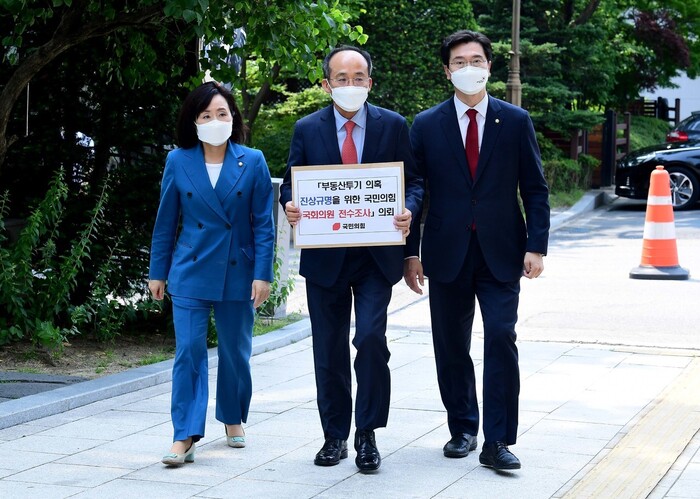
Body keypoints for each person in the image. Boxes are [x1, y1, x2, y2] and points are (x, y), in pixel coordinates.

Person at [404, 30, 550, 471]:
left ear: (489, 66)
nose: (469, 68)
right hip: (446, 251)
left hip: (502, 250)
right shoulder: (426, 124)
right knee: (451, 344)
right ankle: (463, 428)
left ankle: (498, 440)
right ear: (447, 71)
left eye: (477, 60)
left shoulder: (516, 120)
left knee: (502, 337)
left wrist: (537, 246)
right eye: (460, 62)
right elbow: (415, 191)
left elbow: (536, 189)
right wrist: (411, 253)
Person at [280, 46, 423, 473]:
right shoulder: (307, 128)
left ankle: (367, 433)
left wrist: (409, 209)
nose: (350, 85)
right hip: (326, 257)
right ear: (326, 84)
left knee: (371, 341)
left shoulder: (393, 126)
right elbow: (291, 182)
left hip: (377, 257)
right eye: (341, 78)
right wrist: (290, 205)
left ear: (370, 84)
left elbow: (413, 182)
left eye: (358, 77)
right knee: (328, 349)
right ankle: (334, 436)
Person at [148, 81, 275, 466]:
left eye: (222, 113)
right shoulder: (178, 161)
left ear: (233, 117)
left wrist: (263, 273)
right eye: (206, 115)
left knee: (236, 352)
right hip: (189, 269)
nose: (215, 120)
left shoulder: (252, 160)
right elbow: (165, 221)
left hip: (239, 271)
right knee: (188, 352)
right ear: (194, 121)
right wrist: (158, 271)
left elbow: (263, 224)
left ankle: (233, 417)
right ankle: (183, 434)